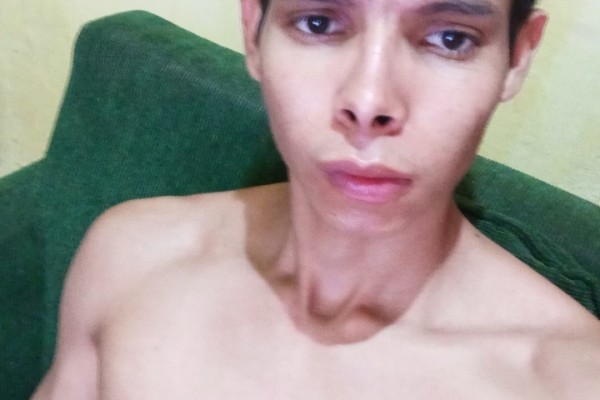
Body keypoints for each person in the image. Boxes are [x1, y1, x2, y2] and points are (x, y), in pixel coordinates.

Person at [32, 0, 600, 398]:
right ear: (254, 32)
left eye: (451, 38)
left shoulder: (568, 380)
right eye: (319, 22)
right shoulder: (130, 256)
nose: (369, 101)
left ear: (516, 58)